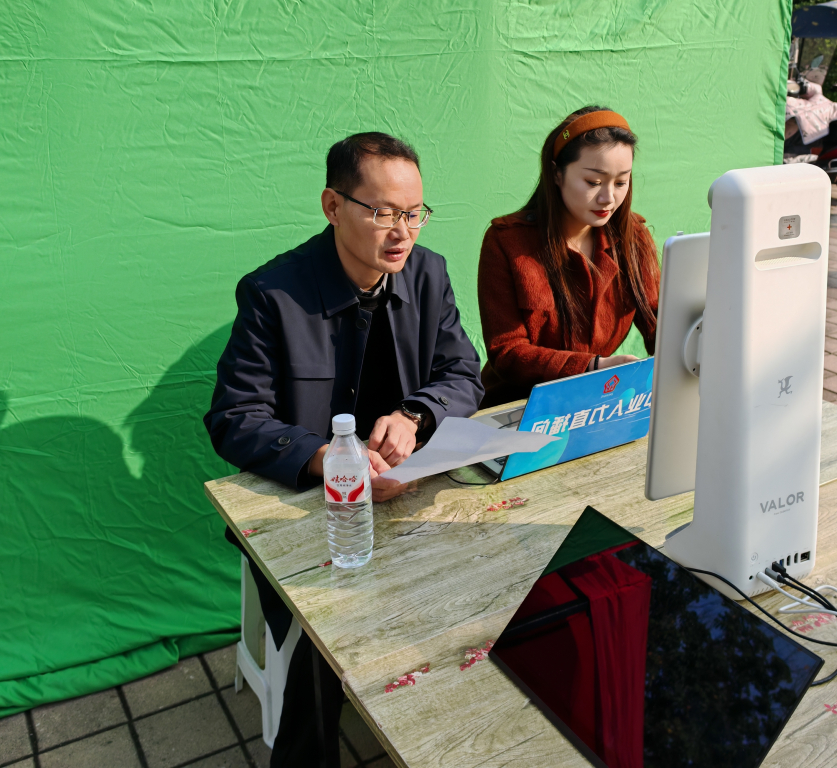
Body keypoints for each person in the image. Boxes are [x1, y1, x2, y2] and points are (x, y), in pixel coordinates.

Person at [204, 132, 483, 767]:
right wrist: (328, 460)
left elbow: (463, 373)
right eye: (382, 212)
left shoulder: (428, 273)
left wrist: (415, 414)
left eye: (414, 213)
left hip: (408, 492)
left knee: (491, 573)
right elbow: (233, 418)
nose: (402, 232)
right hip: (309, 507)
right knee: (323, 630)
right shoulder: (273, 294)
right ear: (333, 206)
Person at [477, 106, 660, 408]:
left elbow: (659, 325)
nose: (608, 198)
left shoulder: (633, 237)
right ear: (556, 174)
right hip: (517, 407)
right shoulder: (506, 242)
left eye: (621, 182)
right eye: (593, 182)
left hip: (599, 404)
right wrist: (592, 367)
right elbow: (507, 352)